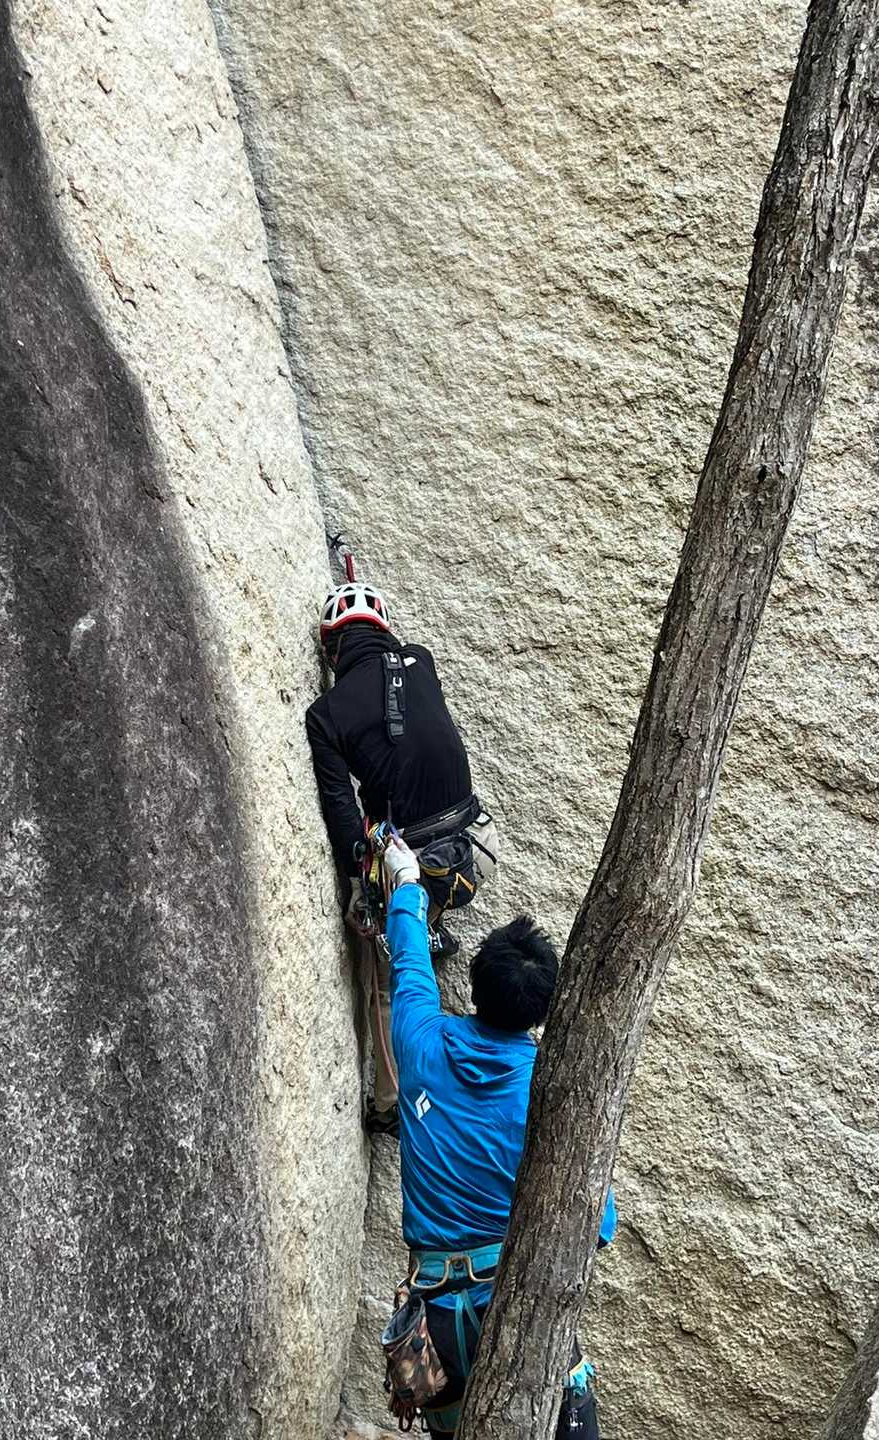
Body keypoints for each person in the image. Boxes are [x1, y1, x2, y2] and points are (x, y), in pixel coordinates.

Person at [379, 834, 614, 1438]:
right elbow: (600, 1226)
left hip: (432, 1321)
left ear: (476, 983)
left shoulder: (422, 1043)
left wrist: (407, 884)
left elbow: (410, 965)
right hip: (516, 1304)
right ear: (544, 1011)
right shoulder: (551, 1094)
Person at [305, 580, 499, 1127]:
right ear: (385, 631)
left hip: (416, 866)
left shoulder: (326, 714)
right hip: (478, 844)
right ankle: (431, 928)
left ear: (331, 651)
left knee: (388, 981)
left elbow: (342, 810)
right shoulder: (422, 660)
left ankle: (389, 1106)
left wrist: (361, 882)